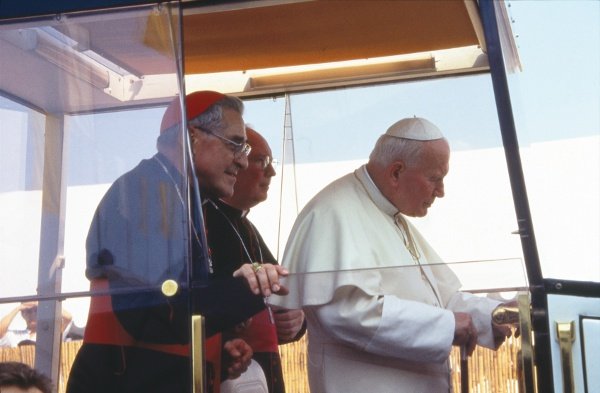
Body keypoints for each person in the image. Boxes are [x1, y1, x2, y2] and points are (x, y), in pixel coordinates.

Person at [67, 91, 288, 393]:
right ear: (193, 137)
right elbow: (163, 309)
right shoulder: (143, 193)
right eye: (236, 144)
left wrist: (218, 347)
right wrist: (248, 289)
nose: (242, 160)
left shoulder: (179, 197)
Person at [272, 117, 514, 392]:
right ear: (396, 172)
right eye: (435, 178)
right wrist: (446, 326)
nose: (441, 191)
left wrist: (497, 314)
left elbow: (440, 299)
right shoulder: (333, 212)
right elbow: (348, 312)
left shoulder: (391, 215)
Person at [204, 127, 306, 393]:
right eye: (262, 161)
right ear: (234, 163)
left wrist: (296, 319)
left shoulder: (244, 225)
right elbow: (196, 309)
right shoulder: (202, 221)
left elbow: (285, 294)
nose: (271, 172)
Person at [0, 302, 73, 347]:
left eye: (36, 310)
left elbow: (67, 317)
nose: (32, 314)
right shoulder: (15, 335)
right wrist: (17, 309)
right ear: (22, 314)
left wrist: (44, 304)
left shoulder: (50, 333)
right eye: (28, 311)